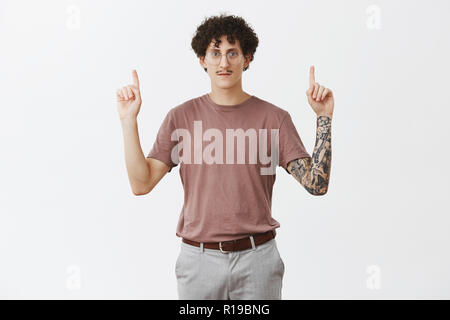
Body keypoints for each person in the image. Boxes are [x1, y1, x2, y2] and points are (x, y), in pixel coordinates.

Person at [116, 13, 333, 300]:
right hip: (199, 260)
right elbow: (141, 184)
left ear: (247, 59)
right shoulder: (181, 117)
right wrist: (128, 120)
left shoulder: (274, 119)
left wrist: (324, 118)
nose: (224, 62)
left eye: (233, 53)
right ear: (202, 60)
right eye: (215, 53)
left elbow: (316, 184)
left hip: (258, 261)